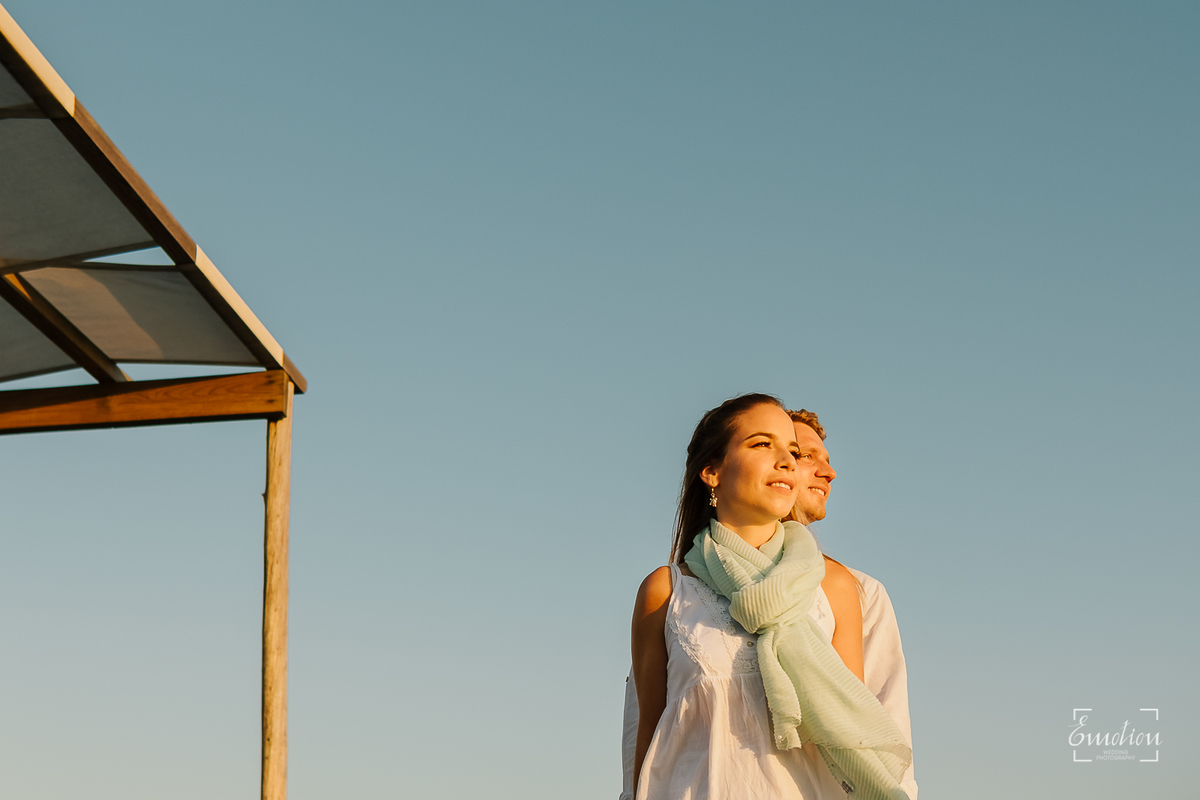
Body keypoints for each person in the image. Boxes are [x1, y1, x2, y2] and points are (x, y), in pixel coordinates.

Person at [620, 394, 917, 800]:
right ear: (711, 471)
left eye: (793, 452)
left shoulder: (836, 587)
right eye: (762, 444)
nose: (787, 461)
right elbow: (646, 742)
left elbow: (854, 733)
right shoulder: (665, 591)